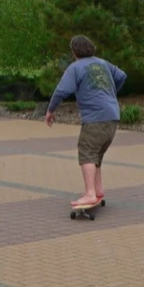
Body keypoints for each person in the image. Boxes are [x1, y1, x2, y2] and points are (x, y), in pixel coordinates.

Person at [45, 35, 127, 207]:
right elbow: (122, 76)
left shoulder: (75, 68)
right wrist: (110, 94)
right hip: (112, 116)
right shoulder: (103, 63)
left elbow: (61, 90)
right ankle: (97, 190)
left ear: (74, 51)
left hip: (96, 117)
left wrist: (50, 110)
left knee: (87, 151)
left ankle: (90, 193)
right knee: (96, 154)